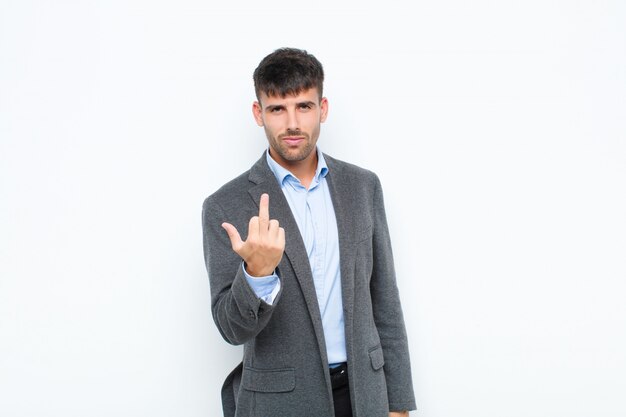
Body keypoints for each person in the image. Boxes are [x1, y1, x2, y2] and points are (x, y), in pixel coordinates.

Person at [202, 47, 416, 417]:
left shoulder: (363, 187)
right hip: (280, 402)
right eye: (277, 109)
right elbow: (230, 329)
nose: (292, 124)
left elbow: (385, 302)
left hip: (364, 393)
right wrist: (257, 275)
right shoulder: (226, 206)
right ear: (259, 114)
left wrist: (397, 403)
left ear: (323, 108)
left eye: (303, 106)